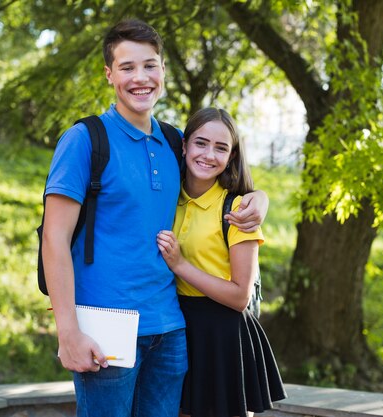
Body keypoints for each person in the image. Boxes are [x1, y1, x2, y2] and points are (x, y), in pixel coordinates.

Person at [41, 19, 270, 417]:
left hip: (171, 329)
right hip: (105, 328)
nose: (140, 78)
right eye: (127, 67)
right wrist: (68, 332)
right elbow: (54, 239)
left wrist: (259, 198)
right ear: (109, 74)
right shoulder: (84, 140)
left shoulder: (173, 141)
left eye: (150, 65)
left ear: (163, 70)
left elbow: (218, 173)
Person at [157, 108, 286, 417]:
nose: (208, 155)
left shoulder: (240, 209)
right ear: (185, 145)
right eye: (201, 143)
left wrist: (181, 265)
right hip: (176, 327)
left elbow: (240, 296)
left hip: (223, 334)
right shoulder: (167, 198)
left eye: (221, 148)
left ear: (231, 156)